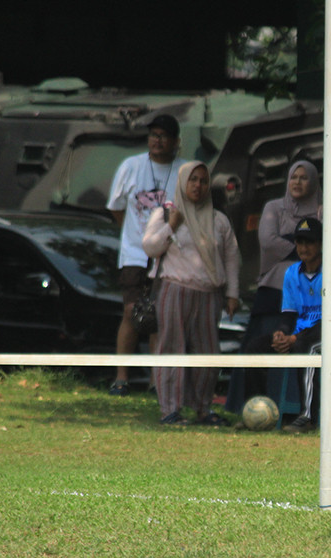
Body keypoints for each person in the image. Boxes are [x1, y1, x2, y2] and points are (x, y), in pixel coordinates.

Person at [142, 161, 241, 425]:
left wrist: (232, 293)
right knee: (171, 350)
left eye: (203, 181)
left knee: (208, 354)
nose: (198, 185)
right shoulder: (165, 214)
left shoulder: (218, 219)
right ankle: (170, 411)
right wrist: (171, 225)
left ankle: (202, 409)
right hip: (174, 291)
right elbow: (150, 248)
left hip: (209, 294)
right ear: (183, 182)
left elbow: (231, 257)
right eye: (193, 180)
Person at [226, 159, 322, 413]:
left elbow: (327, 245)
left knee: (300, 347)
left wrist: (291, 243)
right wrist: (305, 248)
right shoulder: (274, 207)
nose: (298, 182)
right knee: (262, 346)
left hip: (309, 293)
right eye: (293, 177)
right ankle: (253, 408)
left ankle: (296, 410)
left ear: (313, 182)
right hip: (273, 290)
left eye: (304, 178)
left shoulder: (322, 211)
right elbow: (268, 242)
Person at [238, 218, 331, 432]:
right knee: (255, 347)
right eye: (299, 242)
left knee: (305, 348)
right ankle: (254, 412)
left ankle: (307, 417)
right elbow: (288, 315)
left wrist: (295, 339)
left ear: (320, 244)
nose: (303, 248)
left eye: (309, 242)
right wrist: (282, 333)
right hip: (298, 335)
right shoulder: (291, 273)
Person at [106, 114, 187, 396]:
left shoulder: (183, 171)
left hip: (169, 256)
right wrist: (135, 236)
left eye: (164, 136)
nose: (157, 140)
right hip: (134, 254)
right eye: (153, 135)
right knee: (131, 312)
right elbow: (116, 208)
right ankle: (121, 378)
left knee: (159, 317)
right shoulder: (131, 166)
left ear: (176, 141)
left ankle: (156, 381)